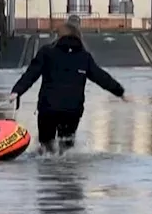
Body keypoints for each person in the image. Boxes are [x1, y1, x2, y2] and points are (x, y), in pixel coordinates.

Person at [9, 14, 125, 153]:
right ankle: (67, 172)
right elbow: (102, 77)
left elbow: (31, 74)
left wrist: (17, 91)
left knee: (46, 147)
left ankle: (47, 171)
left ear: (58, 36)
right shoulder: (84, 56)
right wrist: (120, 92)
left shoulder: (47, 52)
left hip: (48, 109)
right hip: (72, 110)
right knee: (67, 148)